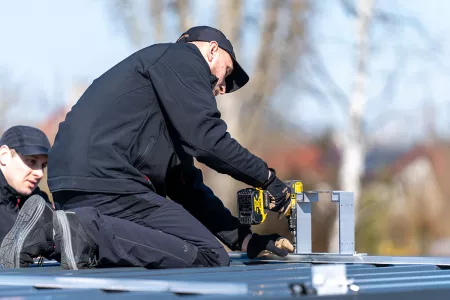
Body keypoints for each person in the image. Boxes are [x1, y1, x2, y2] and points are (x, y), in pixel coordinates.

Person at [1, 26, 294, 270]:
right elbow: (208, 141)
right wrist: (266, 178)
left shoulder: (162, 98)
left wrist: (245, 240)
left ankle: (56, 233)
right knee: (208, 255)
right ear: (211, 50)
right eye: (225, 73)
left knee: (145, 248)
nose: (222, 87)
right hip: (107, 178)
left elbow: (185, 186)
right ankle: (59, 229)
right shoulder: (183, 57)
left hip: (81, 184)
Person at [0, 125, 56, 268]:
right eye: (31, 161)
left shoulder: (38, 201)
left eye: (43, 165)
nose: (40, 173)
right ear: (4, 156)